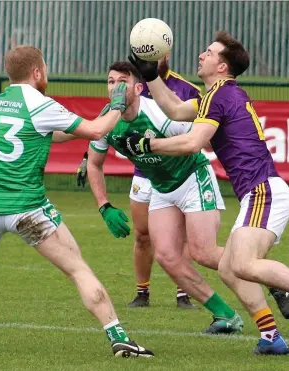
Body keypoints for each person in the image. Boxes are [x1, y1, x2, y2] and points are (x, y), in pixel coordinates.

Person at [0, 45, 154, 358]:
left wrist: (85, 126)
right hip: (27, 209)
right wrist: (117, 103)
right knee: (78, 269)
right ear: (37, 72)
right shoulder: (40, 103)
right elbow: (97, 130)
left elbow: (49, 132)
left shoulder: (0, 103)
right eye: (44, 68)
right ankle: (118, 336)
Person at [122, 30, 289, 355]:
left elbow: (192, 142)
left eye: (209, 52)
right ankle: (272, 338)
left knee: (242, 264)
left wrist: (147, 144)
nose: (202, 55)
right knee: (230, 266)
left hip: (264, 191)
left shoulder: (221, 94)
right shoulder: (217, 95)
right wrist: (152, 76)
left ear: (223, 67)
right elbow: (173, 110)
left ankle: (278, 288)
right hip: (258, 193)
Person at [87, 61, 244, 335]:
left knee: (203, 252)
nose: (114, 87)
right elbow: (94, 163)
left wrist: (154, 144)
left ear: (138, 88)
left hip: (192, 176)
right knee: (167, 256)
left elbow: (198, 143)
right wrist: (104, 206)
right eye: (110, 81)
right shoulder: (106, 121)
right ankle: (226, 315)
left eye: (121, 81)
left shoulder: (159, 113)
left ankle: (263, 274)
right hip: (161, 186)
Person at [127, 54, 202, 309]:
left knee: (180, 237)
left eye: (156, 54)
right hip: (144, 172)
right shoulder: (134, 85)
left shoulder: (187, 89)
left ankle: (184, 293)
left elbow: (196, 133)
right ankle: (142, 292)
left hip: (176, 172)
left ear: (167, 55)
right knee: (142, 235)